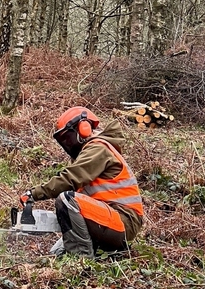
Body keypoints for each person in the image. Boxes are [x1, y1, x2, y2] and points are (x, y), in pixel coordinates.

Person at [20, 106, 143, 257]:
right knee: (56, 253)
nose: (68, 143)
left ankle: (81, 260)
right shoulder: (94, 151)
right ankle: (88, 254)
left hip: (123, 221)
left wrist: (34, 193)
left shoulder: (98, 148)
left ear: (84, 127)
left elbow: (71, 177)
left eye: (68, 137)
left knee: (67, 199)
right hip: (109, 218)